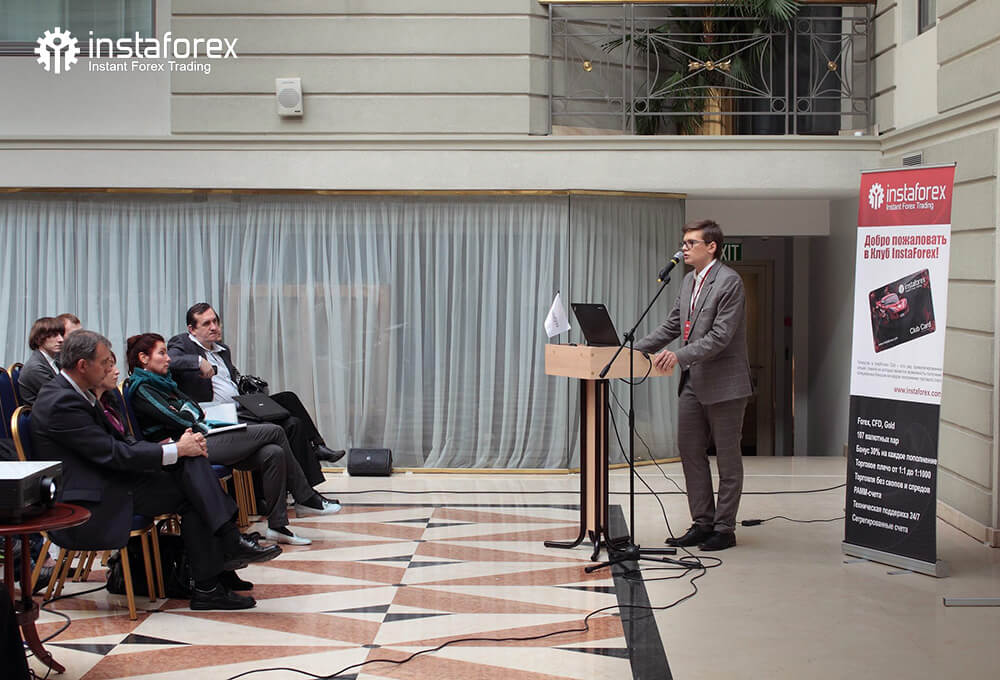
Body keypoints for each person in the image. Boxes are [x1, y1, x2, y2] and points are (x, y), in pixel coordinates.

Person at [30, 331, 281, 610]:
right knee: (192, 490)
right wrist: (175, 450)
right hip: (91, 497)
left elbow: (121, 446)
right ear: (82, 366)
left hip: (110, 479)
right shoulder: (61, 402)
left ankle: (220, 564)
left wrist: (178, 449)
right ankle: (216, 570)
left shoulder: (77, 393)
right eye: (104, 363)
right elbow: (112, 453)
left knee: (191, 465)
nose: (110, 368)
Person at [126, 333, 340, 546]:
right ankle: (306, 497)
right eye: (162, 353)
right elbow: (180, 419)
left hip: (202, 435)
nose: (168, 358)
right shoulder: (142, 388)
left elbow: (195, 410)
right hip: (189, 447)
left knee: (273, 453)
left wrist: (186, 411)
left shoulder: (166, 383)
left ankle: (277, 526)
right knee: (275, 431)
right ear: (144, 358)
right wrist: (186, 412)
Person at [635, 219, 752, 552]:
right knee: (690, 452)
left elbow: (720, 337)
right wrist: (632, 349)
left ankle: (724, 529)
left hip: (725, 385)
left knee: (727, 460)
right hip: (692, 383)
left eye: (691, 243)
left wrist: (678, 356)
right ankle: (702, 523)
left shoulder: (729, 282)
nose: (683, 249)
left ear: (711, 247)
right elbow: (673, 325)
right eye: (684, 243)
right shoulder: (688, 281)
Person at [167, 302, 344, 489]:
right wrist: (198, 361)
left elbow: (231, 380)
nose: (214, 327)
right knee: (291, 423)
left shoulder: (222, 350)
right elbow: (171, 360)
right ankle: (308, 489)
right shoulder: (182, 343)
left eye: (215, 321)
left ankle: (316, 450)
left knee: (289, 401)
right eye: (206, 323)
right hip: (216, 415)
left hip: (241, 405)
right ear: (192, 329)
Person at [18, 316, 65, 405]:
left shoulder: (56, 361)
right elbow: (59, 396)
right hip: (46, 412)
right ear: (38, 339)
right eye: (54, 335)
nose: (61, 340)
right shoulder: (35, 368)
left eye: (61, 335)